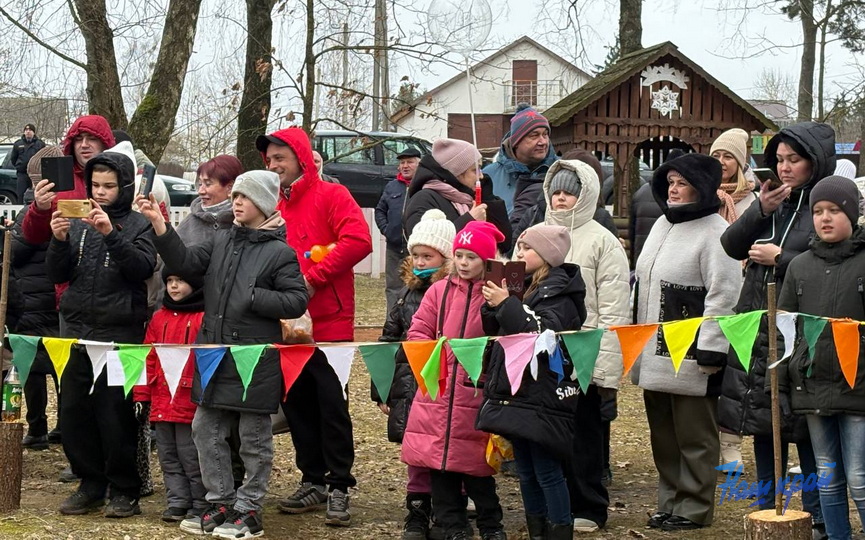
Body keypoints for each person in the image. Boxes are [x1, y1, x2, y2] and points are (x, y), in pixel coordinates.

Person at [137, 170, 309, 538]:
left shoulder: (280, 252)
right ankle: (220, 502)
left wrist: (254, 297)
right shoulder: (220, 241)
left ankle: (250, 509)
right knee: (206, 428)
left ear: (263, 203)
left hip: (253, 360)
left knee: (252, 437)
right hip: (213, 354)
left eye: (245, 197)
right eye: (236, 197)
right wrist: (160, 226)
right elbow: (183, 262)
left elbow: (297, 299)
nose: (237, 202)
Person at [718, 122, 835, 537]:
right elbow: (732, 245)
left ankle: (817, 517)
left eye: (794, 160)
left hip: (801, 330)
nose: (784, 169)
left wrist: (781, 256)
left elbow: (828, 260)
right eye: (779, 160)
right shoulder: (775, 201)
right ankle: (768, 513)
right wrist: (760, 210)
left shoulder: (826, 204)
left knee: (804, 429)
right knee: (763, 424)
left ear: (813, 161)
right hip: (756, 324)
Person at [257, 128, 369, 526]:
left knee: (330, 406)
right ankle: (313, 479)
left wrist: (314, 277)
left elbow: (358, 240)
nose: (273, 165)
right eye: (269, 160)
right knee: (297, 405)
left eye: (280, 158)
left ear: (301, 158)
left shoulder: (332, 195)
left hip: (328, 321)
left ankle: (339, 484)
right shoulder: (271, 204)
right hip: (285, 323)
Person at [47, 141, 156, 518]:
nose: (100, 193)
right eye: (95, 186)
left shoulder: (138, 224)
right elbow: (59, 274)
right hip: (76, 330)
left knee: (116, 414)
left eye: (108, 187)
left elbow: (141, 269)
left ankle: (124, 488)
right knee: (75, 412)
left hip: (119, 333)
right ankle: (89, 482)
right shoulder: (78, 221)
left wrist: (111, 233)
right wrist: (59, 241)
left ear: (124, 186)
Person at [633, 152, 741, 531]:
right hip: (654, 353)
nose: (673, 190)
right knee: (664, 435)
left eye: (683, 183)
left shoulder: (717, 233)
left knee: (695, 437)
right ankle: (670, 500)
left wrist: (712, 348)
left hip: (694, 357)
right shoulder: (662, 225)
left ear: (702, 188)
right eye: (671, 183)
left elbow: (724, 295)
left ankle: (693, 507)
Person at [478, 224, 586, 539]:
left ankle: (558, 530)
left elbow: (541, 334)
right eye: (520, 247)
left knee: (547, 471)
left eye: (528, 249)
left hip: (545, 394)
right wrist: (493, 305)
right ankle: (536, 529)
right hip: (518, 391)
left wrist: (507, 305)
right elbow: (498, 330)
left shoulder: (560, 293)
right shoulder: (521, 287)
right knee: (525, 471)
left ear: (548, 256)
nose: (520, 253)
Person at [401, 220, 508, 540]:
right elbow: (418, 329)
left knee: (475, 466)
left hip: (474, 389)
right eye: (459, 255)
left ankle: (491, 525)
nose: (463, 263)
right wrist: (430, 363)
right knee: (438, 462)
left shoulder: (496, 293)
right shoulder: (439, 290)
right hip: (437, 389)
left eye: (472, 257)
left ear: (486, 261)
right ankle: (451, 525)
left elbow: (506, 336)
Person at [540, 160, 631, 532]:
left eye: (569, 192)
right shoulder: (535, 234)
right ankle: (553, 502)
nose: (561, 199)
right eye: (557, 191)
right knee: (548, 434)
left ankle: (590, 506)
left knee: (586, 436)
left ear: (585, 196)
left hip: (584, 352)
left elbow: (612, 306)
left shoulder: (602, 241)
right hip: (543, 353)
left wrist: (603, 365)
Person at [779, 175, 865, 540]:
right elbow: (784, 332)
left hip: (858, 386)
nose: (825, 218)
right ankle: (837, 536)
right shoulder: (799, 266)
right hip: (811, 386)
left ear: (853, 214)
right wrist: (783, 385)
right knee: (828, 475)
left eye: (834, 210)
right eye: (817, 211)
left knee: (860, 476)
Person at [374, 209, 455, 539]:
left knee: (448, 449)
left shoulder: (455, 294)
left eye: (428, 255)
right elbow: (387, 341)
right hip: (411, 388)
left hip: (446, 387)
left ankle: (450, 511)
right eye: (416, 255)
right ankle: (417, 512)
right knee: (417, 452)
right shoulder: (405, 296)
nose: (420, 261)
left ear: (445, 257)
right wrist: (382, 389)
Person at [133, 269, 206, 523]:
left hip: (189, 400)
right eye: (170, 282)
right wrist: (141, 395)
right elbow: (148, 358)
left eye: (180, 281)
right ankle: (177, 501)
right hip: (161, 398)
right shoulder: (158, 318)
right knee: (168, 456)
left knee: (191, 456)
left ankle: (199, 502)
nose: (174, 287)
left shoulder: (202, 318)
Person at [12, 145, 63, 450]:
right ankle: (37, 426)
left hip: (55, 304)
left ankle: (61, 427)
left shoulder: (71, 210)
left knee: (61, 367)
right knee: (30, 368)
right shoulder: (26, 214)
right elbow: (15, 253)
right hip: (32, 304)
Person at [403, 138, 512, 255]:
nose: (481, 176)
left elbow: (504, 243)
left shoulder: (468, 198)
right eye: (475, 170)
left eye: (481, 169)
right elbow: (423, 248)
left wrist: (488, 198)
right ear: (456, 172)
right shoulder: (423, 199)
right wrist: (469, 220)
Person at [24, 115, 116, 246]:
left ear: (104, 143)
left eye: (92, 138)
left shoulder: (122, 177)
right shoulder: (59, 181)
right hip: (68, 260)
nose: (84, 145)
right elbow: (33, 237)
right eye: (78, 139)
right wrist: (40, 209)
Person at [484, 103, 557, 217]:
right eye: (534, 135)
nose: (542, 142)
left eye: (545, 134)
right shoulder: (489, 176)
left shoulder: (560, 171)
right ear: (516, 141)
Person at [376, 147, 421, 313]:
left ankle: (413, 325)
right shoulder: (392, 187)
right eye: (402, 162)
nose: (405, 166)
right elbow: (380, 210)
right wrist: (387, 230)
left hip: (418, 250)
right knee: (393, 288)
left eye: (410, 162)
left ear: (419, 164)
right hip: (394, 248)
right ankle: (392, 325)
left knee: (416, 288)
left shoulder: (425, 187)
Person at [176, 155, 243, 246]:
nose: (200, 191)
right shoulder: (188, 224)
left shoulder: (246, 223)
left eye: (208, 184)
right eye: (200, 184)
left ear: (230, 188)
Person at [711, 128, 758, 224]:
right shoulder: (698, 195)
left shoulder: (754, 201)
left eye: (728, 157)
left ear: (739, 164)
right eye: (715, 156)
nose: (720, 161)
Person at [9, 123, 46, 202]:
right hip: (22, 174)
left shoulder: (40, 144)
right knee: (20, 195)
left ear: (34, 132)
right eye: (26, 130)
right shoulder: (18, 144)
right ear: (24, 132)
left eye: (30, 130)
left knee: (36, 195)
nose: (28, 132)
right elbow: (13, 159)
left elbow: (44, 158)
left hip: (35, 175)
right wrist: (19, 167)